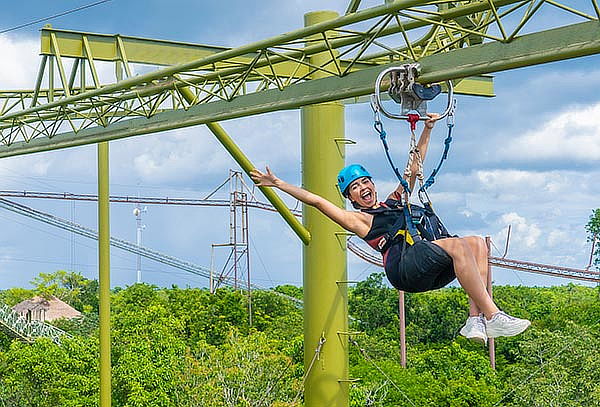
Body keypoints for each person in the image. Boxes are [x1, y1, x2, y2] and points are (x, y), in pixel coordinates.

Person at [250, 114, 530, 344]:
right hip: (404, 268)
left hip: (427, 268)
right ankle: (493, 314)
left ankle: (475, 321)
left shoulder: (393, 202)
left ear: (373, 184)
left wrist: (427, 129)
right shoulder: (360, 220)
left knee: (478, 243)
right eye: (355, 189)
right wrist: (278, 184)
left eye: (364, 183)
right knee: (458, 245)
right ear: (351, 198)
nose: (363, 190)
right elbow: (318, 202)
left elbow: (413, 166)